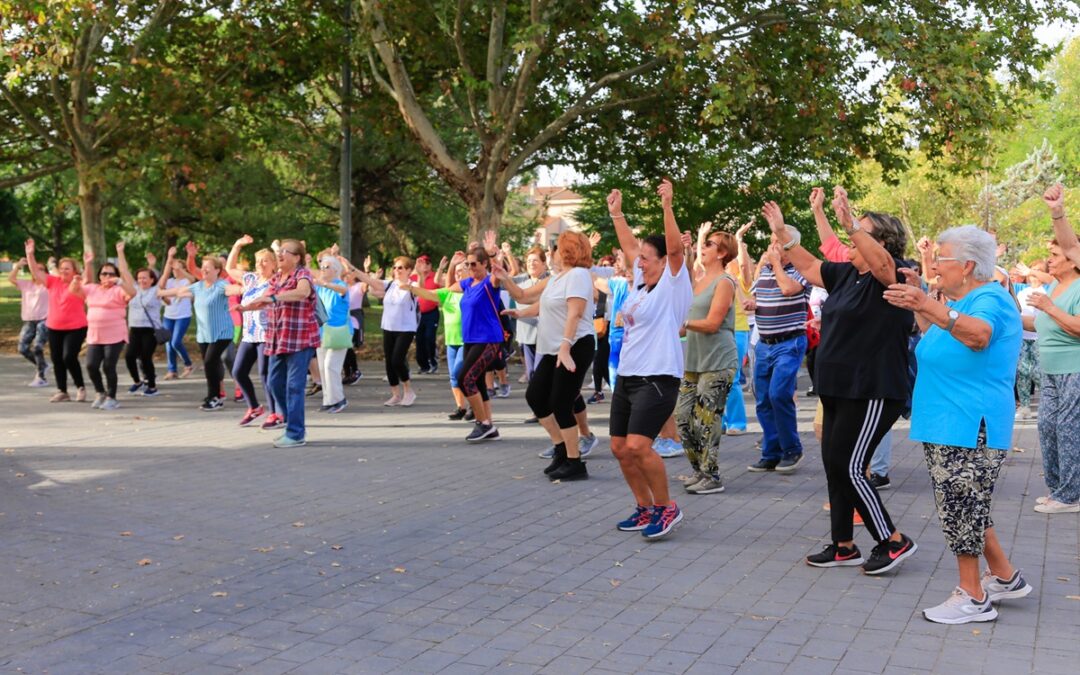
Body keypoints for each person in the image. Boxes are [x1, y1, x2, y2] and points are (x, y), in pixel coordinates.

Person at [884, 224, 1031, 623]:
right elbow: (940, 334)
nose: (934, 269)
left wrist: (927, 302)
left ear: (967, 265)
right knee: (968, 505)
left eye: (940, 261)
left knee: (961, 507)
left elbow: (979, 336)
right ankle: (1004, 577)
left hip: (968, 423)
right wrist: (921, 302)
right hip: (950, 420)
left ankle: (973, 596)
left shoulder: (991, 299)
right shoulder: (964, 300)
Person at [768, 188, 918, 575]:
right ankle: (843, 545)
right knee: (835, 465)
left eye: (859, 232)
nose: (850, 237)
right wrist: (784, 232)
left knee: (851, 466)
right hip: (837, 386)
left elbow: (882, 265)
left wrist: (851, 223)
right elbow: (808, 265)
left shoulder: (894, 273)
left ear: (879, 241)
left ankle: (893, 540)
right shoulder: (847, 273)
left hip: (871, 389)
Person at [606, 179, 692, 539]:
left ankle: (666, 507)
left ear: (662, 261)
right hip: (628, 375)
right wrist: (617, 214)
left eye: (645, 257)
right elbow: (628, 246)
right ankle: (643, 509)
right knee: (619, 448)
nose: (638, 261)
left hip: (658, 377)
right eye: (639, 258)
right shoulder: (641, 285)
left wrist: (667, 206)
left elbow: (673, 251)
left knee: (640, 446)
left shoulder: (674, 282)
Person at [496, 231, 597, 481]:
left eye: (555, 248)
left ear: (566, 251)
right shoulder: (556, 278)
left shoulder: (578, 275)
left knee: (561, 401)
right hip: (555, 348)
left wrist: (565, 347)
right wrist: (505, 281)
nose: (551, 253)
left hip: (574, 346)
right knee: (536, 396)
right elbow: (525, 297)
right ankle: (561, 448)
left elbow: (575, 313)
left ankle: (575, 462)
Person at [744, 211, 812, 473]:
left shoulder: (801, 270)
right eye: (771, 241)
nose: (771, 246)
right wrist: (754, 303)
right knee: (762, 399)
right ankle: (771, 452)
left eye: (776, 241)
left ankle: (792, 449)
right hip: (764, 343)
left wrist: (777, 265)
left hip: (789, 342)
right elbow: (758, 298)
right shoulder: (766, 270)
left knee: (779, 394)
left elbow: (787, 290)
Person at [417, 245, 505, 442]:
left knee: (464, 378)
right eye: (468, 264)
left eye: (474, 264)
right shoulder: (467, 284)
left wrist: (493, 255)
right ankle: (489, 425)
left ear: (484, 264)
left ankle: (483, 423)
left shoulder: (490, 283)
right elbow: (442, 292)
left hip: (488, 339)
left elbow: (498, 272)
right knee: (478, 382)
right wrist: (413, 289)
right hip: (471, 340)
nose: (471, 267)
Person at [1029, 184, 1080, 514]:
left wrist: (1057, 211)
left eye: (1056, 254)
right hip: (1048, 367)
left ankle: (1070, 495)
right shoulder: (1053, 285)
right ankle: (1058, 488)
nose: (1051, 257)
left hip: (1074, 368)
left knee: (1068, 429)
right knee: (1047, 425)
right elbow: (1039, 323)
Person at [677, 227, 738, 495]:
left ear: (722, 253)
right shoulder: (699, 280)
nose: (704, 246)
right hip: (694, 361)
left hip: (718, 360)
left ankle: (711, 476)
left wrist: (684, 323)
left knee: (706, 420)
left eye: (709, 244)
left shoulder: (725, 281)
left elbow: (713, 323)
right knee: (682, 417)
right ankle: (698, 470)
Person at [244, 238, 321, 448]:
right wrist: (247, 308)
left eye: (285, 252)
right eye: (279, 252)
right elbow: (265, 299)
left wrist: (276, 298)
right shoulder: (277, 278)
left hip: (300, 338)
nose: (279, 255)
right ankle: (290, 421)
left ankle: (296, 434)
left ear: (296, 258)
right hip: (278, 338)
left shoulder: (302, 274)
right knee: (274, 383)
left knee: (294, 386)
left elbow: (303, 292)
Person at [158, 254, 234, 411]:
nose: (204, 269)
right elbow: (179, 290)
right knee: (210, 366)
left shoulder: (221, 285)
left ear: (217, 270)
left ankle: (215, 397)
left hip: (222, 333)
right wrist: (160, 293)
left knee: (209, 362)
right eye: (203, 266)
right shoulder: (198, 286)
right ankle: (215, 395)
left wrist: (245, 289)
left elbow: (233, 289)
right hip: (204, 335)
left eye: (208, 267)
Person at [24, 239, 88, 403]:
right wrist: (30, 254)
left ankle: (80, 387)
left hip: (76, 327)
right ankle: (62, 391)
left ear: (74, 270)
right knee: (57, 358)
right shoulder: (53, 281)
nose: (63, 270)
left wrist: (88, 263)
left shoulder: (78, 283)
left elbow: (87, 279)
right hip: (54, 326)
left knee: (69, 357)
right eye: (61, 268)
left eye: (67, 268)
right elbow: (35, 272)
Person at [224, 236, 278, 427]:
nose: (261, 264)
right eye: (258, 261)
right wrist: (237, 245)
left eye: (265, 261)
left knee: (265, 375)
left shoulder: (275, 282)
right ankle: (254, 407)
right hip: (249, 334)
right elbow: (229, 269)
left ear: (274, 264)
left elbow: (262, 302)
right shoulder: (251, 279)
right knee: (238, 372)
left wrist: (244, 307)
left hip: (267, 334)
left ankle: (275, 413)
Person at [76, 244, 136, 410]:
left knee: (108, 365)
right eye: (104, 273)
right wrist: (85, 266)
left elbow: (132, 293)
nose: (107, 276)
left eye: (111, 273)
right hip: (95, 335)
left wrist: (120, 281)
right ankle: (100, 392)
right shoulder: (92, 289)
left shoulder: (119, 290)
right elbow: (76, 290)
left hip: (115, 334)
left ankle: (112, 397)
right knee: (91, 365)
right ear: (99, 276)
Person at [356, 257, 419, 406]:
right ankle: (396, 394)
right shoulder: (390, 284)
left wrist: (420, 275)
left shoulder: (413, 285)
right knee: (389, 362)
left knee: (397, 360)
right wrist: (357, 269)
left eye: (400, 268)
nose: (396, 270)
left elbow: (421, 289)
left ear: (409, 270)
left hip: (405, 329)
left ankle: (408, 391)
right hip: (388, 327)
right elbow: (371, 283)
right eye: (395, 267)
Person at [721, 221, 754, 436]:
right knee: (719, 378)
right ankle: (723, 421)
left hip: (738, 331)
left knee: (731, 378)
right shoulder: (718, 276)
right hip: (719, 332)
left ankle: (738, 423)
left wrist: (739, 239)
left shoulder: (742, 279)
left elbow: (743, 265)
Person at [313, 254, 351, 413]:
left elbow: (343, 290)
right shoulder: (318, 286)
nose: (322, 269)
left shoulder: (339, 284)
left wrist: (325, 284)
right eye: (321, 267)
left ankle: (339, 399)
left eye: (326, 267)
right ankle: (328, 400)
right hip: (321, 332)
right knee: (322, 367)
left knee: (330, 366)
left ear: (335, 270)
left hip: (338, 332)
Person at [123, 260, 164, 398]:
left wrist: (169, 259)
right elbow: (125, 271)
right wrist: (120, 253)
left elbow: (163, 278)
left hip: (150, 330)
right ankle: (138, 381)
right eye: (139, 278)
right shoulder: (134, 290)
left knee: (146, 357)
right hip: (135, 329)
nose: (142, 280)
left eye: (145, 277)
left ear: (152, 280)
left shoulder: (156, 290)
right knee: (129, 356)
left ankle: (152, 386)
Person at [9, 256, 50, 387]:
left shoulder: (48, 285)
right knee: (23, 348)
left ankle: (41, 377)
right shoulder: (26, 284)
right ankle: (42, 365)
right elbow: (11, 279)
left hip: (44, 319)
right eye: (35, 269)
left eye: (41, 270)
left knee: (38, 347)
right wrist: (17, 266)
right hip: (29, 321)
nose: (37, 272)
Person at [158, 246, 196, 380]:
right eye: (173, 269)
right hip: (169, 316)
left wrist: (180, 268)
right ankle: (172, 370)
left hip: (183, 316)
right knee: (169, 343)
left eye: (177, 268)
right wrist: (170, 259)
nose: (175, 271)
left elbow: (192, 279)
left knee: (175, 342)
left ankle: (188, 364)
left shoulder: (186, 281)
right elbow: (161, 284)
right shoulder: (169, 282)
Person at [411, 254, 440, 374]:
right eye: (422, 263)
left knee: (429, 337)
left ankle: (432, 361)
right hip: (418, 314)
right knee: (419, 339)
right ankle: (423, 365)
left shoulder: (435, 277)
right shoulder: (413, 277)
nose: (425, 266)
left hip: (431, 313)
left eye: (427, 263)